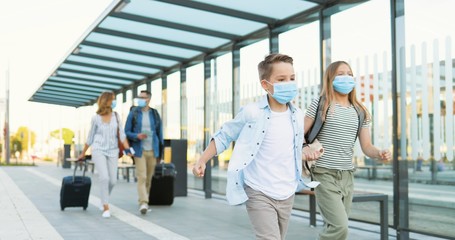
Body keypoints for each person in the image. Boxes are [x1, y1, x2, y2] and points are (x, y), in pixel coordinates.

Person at [192, 53, 320, 240]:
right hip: (258, 189)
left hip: (286, 191)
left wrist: (308, 151)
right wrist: (202, 160)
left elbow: (292, 148)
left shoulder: (298, 115)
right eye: (281, 79)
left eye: (292, 78)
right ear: (265, 85)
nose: (289, 83)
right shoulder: (252, 112)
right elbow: (225, 135)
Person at [303, 61, 392, 240]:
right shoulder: (320, 104)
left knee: (336, 228)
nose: (346, 77)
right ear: (330, 79)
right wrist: (305, 149)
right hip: (323, 173)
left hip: (347, 176)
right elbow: (298, 135)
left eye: (349, 73)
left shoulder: (360, 111)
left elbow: (367, 146)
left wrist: (379, 153)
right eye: (340, 74)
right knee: (340, 227)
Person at [78, 91, 131, 218]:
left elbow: (122, 135)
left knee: (113, 180)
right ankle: (105, 206)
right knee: (104, 178)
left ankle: (104, 198)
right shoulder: (96, 118)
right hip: (98, 150)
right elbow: (90, 137)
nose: (114, 102)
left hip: (113, 151)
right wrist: (83, 153)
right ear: (106, 101)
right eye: (112, 99)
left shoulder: (117, 117)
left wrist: (129, 150)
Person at [124, 90, 164, 215]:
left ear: (149, 99)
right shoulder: (133, 113)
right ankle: (143, 202)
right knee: (142, 177)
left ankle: (144, 201)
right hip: (139, 150)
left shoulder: (155, 114)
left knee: (148, 179)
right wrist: (137, 136)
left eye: (143, 97)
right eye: (139, 97)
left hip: (153, 150)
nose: (141, 99)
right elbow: (126, 132)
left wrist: (160, 153)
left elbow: (160, 134)